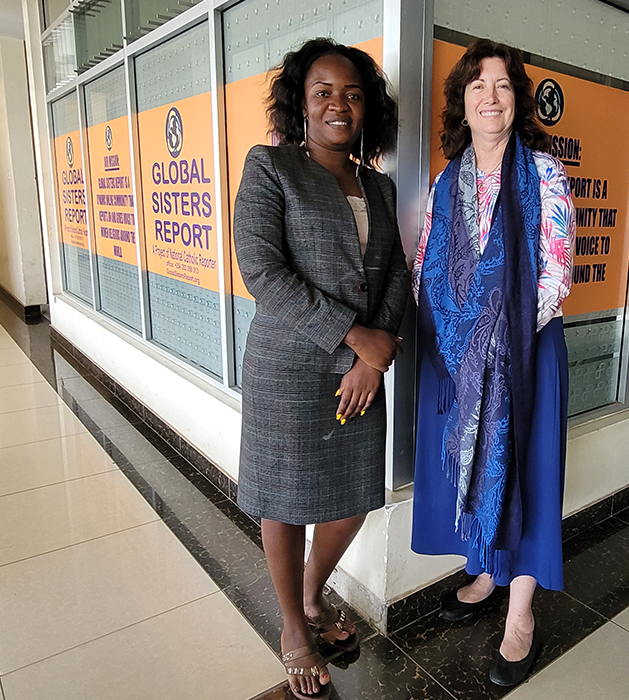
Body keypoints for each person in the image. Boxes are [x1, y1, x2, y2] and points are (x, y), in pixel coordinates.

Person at [233, 37, 408, 700]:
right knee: (283, 500)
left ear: (369, 110)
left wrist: (376, 350)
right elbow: (263, 273)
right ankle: (292, 628)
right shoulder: (272, 167)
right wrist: (356, 336)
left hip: (363, 367)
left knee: (355, 497)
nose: (340, 104)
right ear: (302, 104)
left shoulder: (380, 186)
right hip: (289, 365)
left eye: (354, 94)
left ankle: (311, 593)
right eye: (325, 92)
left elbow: (395, 271)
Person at [411, 38, 575, 687]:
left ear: (517, 100)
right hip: (457, 357)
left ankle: (521, 616)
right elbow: (427, 262)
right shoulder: (446, 180)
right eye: (478, 85)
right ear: (463, 100)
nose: (490, 96)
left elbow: (557, 271)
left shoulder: (544, 174)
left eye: (503, 85)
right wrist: (459, 342)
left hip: (527, 354)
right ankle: (484, 568)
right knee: (473, 467)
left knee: (527, 477)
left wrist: (496, 342)